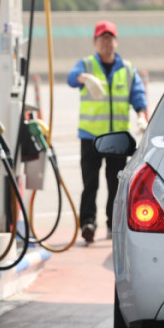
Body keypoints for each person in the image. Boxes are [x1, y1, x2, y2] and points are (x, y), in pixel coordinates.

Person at [67, 20, 148, 244]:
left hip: (117, 139)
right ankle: (88, 224)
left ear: (116, 42)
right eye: (102, 39)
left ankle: (114, 224)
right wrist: (85, 78)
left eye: (109, 38)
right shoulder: (86, 65)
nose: (106, 43)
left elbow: (138, 95)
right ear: (95, 42)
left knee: (116, 184)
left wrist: (142, 115)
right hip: (91, 136)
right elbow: (71, 78)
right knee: (90, 184)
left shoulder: (127, 69)